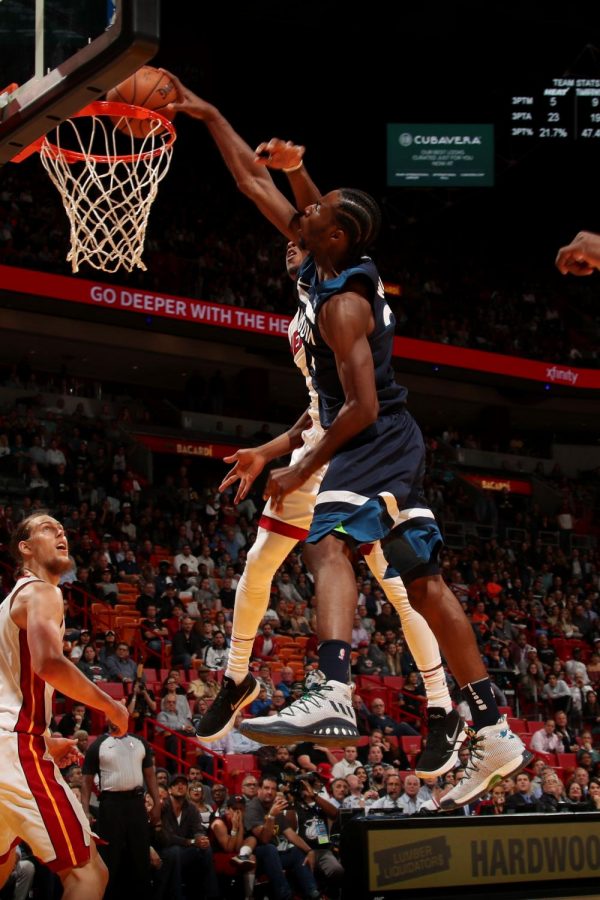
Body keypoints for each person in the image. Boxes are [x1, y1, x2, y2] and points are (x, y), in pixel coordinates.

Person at [169, 77, 464, 781]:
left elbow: (355, 405)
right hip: (327, 433)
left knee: (392, 577)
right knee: (266, 560)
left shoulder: (341, 297)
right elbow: (319, 401)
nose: (287, 234)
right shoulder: (313, 288)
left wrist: (299, 464)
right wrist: (209, 110)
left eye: (302, 226)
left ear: (322, 240)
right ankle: (239, 679)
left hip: (362, 440)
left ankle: (440, 705)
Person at [0, 511, 128, 899]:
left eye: (61, 528)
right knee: (89, 875)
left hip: (9, 747)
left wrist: (46, 740)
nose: (60, 532)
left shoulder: (7, 605)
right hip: (15, 747)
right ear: (25, 549)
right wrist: (111, 705)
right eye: (46, 528)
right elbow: (48, 663)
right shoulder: (41, 591)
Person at [81, 723, 162, 900]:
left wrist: (157, 803)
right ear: (107, 718)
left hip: (136, 803)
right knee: (110, 859)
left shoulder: (140, 742)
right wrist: (85, 810)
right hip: (111, 805)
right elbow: (86, 781)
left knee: (140, 857)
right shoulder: (99, 744)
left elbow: (150, 775)